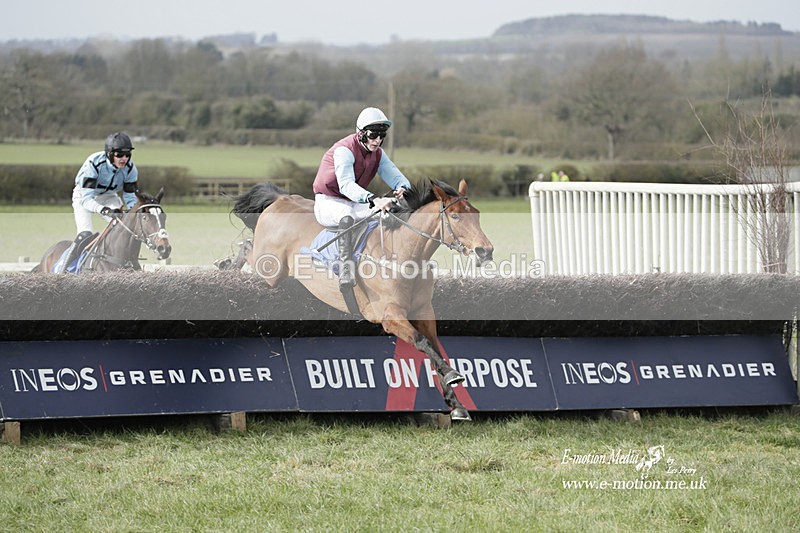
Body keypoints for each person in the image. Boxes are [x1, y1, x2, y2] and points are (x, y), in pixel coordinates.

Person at [312, 107, 411, 288]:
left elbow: (395, 175)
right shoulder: (344, 150)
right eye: (373, 135)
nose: (378, 140)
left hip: (353, 202)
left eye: (382, 136)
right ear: (361, 133)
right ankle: (345, 269)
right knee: (345, 214)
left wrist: (403, 188)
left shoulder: (378, 153)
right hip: (328, 202)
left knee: (390, 211)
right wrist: (374, 199)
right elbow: (346, 185)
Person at [60, 132, 139, 271]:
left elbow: (130, 197)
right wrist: (104, 210)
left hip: (108, 196)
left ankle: (127, 262)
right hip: (84, 197)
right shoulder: (94, 163)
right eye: (119, 155)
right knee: (85, 235)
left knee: (124, 228)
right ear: (109, 154)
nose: (124, 158)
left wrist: (132, 213)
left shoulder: (131, 169)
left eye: (127, 155)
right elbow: (86, 199)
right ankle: (64, 270)